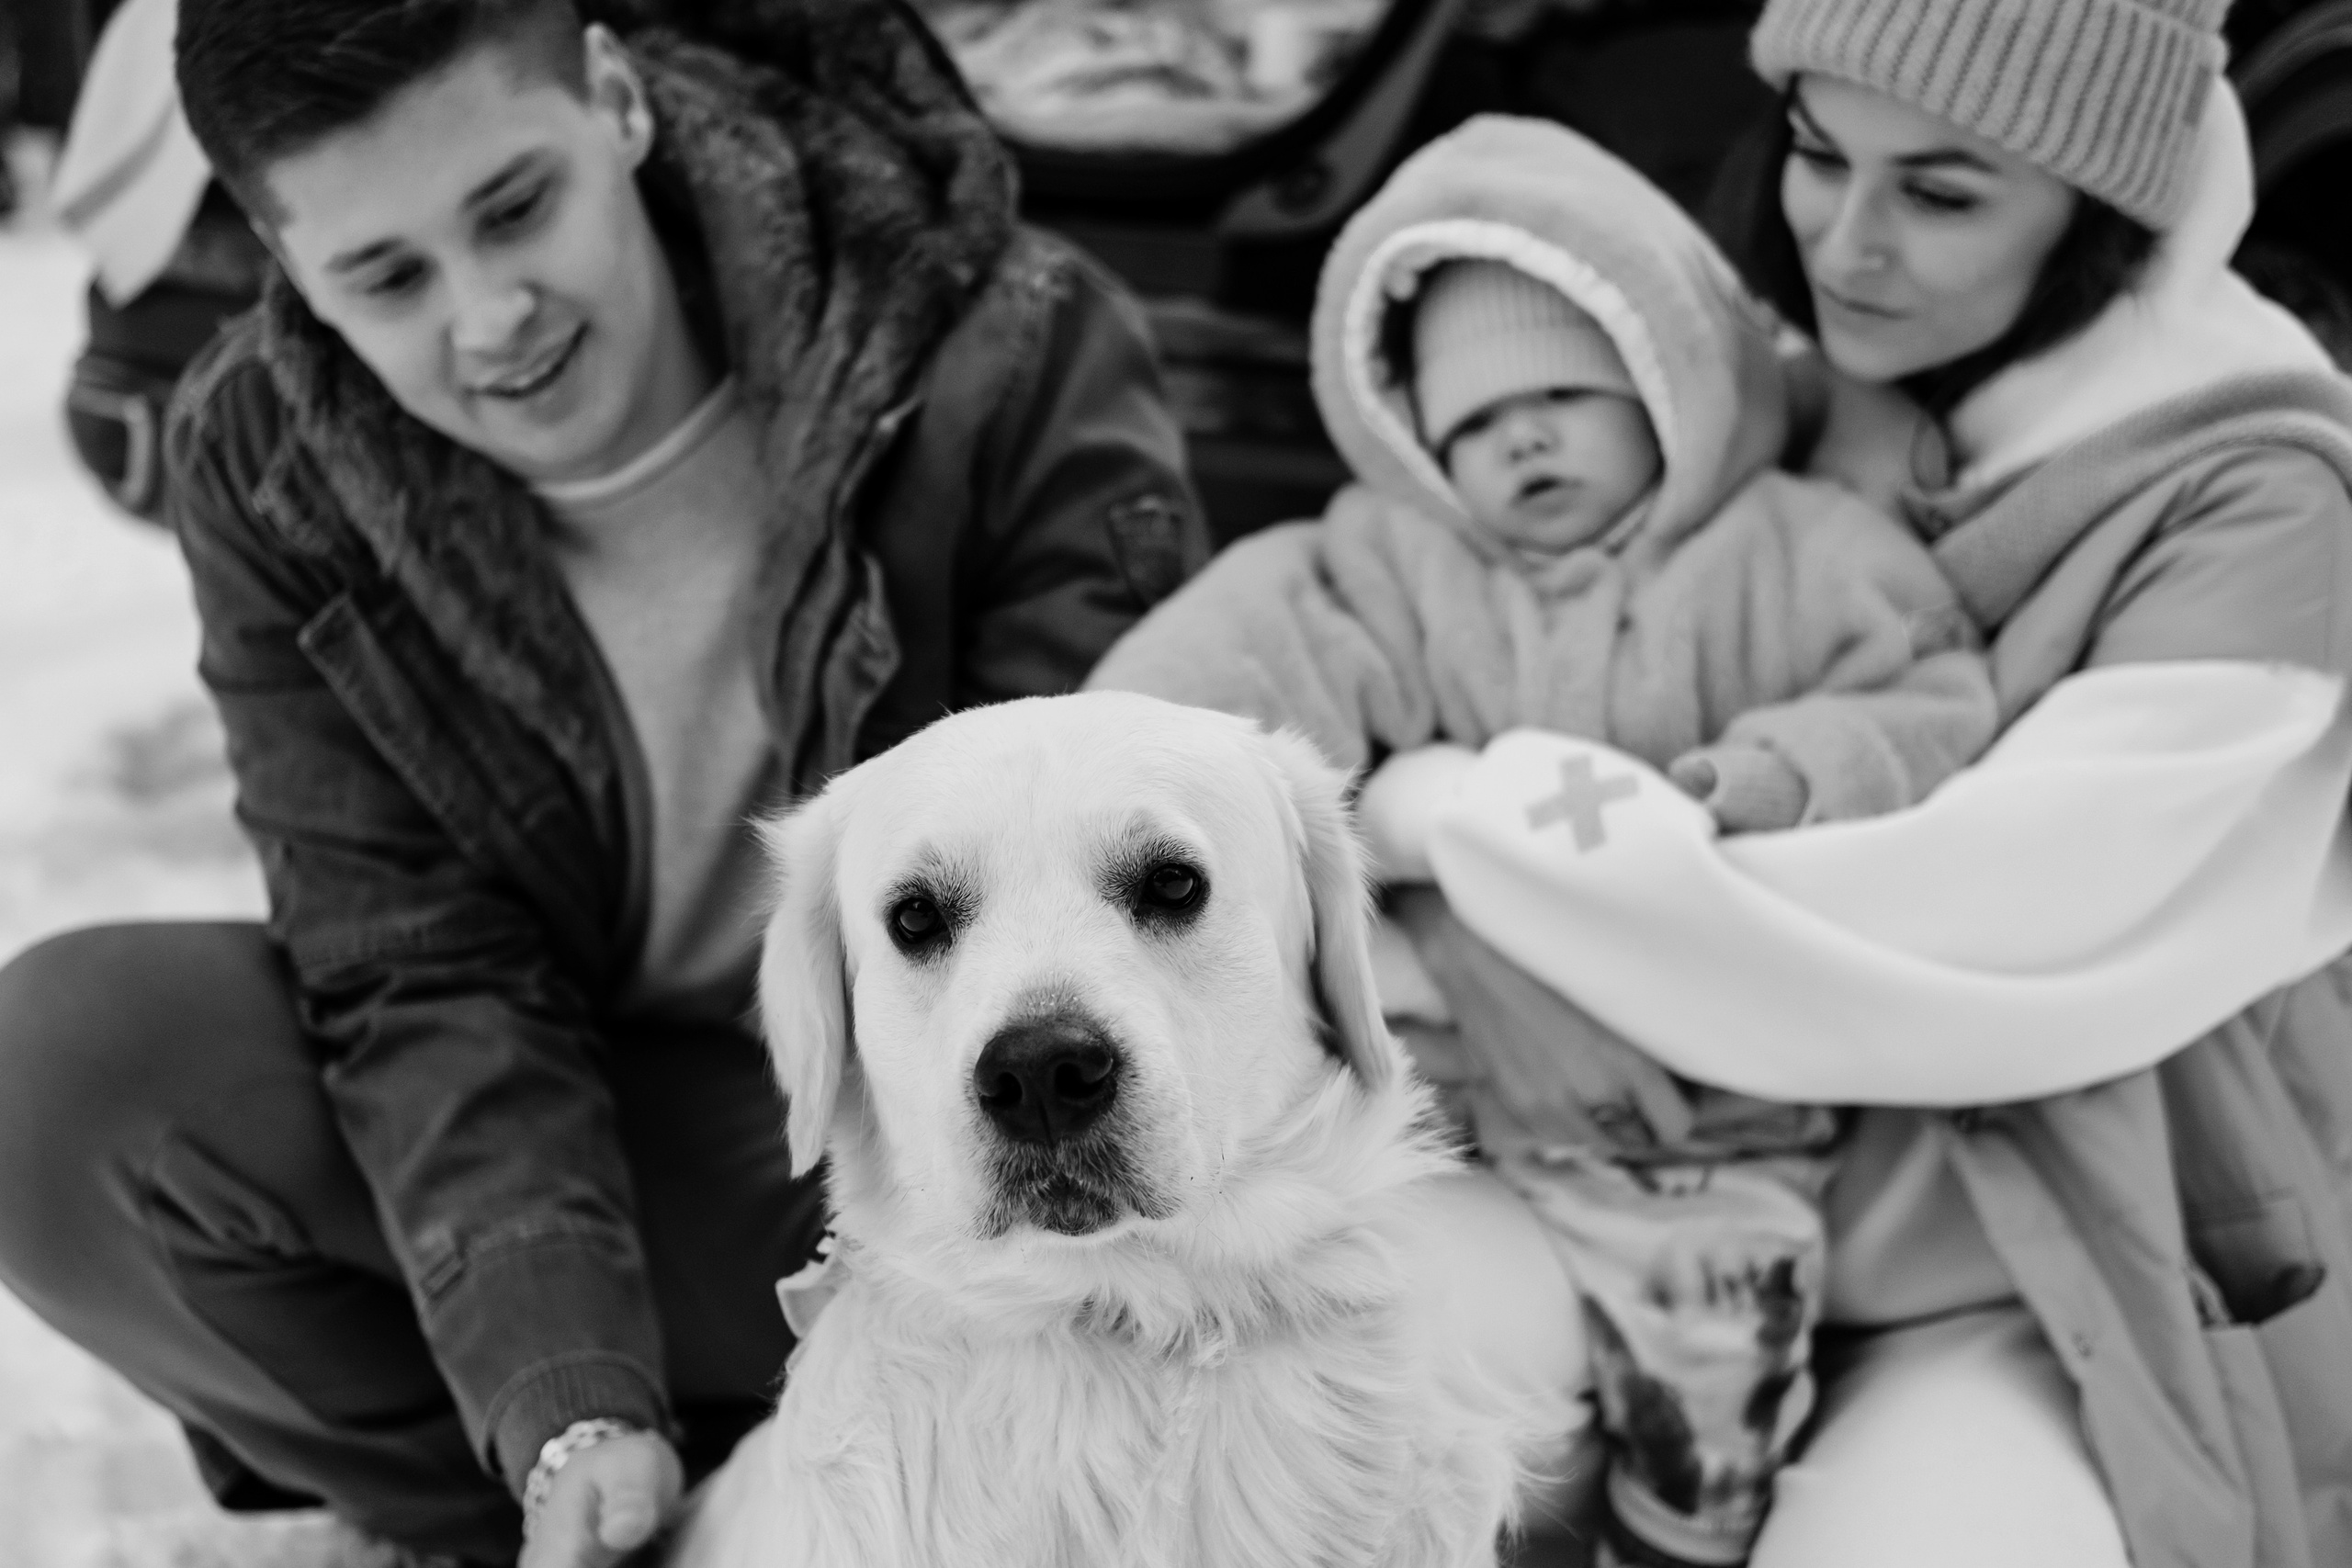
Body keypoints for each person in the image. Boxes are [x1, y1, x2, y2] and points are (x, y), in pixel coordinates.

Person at [0, 0, 1205, 1563]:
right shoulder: (273, 459)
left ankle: (944, 1463)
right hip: (608, 1130)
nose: (491, 313)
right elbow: (417, 965)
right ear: (287, 267)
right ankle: (600, 1519)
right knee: (67, 1071)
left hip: (949, 1128)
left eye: (518, 208)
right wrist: (564, 1393)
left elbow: (1129, 876)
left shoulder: (993, 343)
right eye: (386, 275)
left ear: (619, 105)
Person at [1363, 1, 2352, 1565]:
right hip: (1629, 1184)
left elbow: (1975, 920)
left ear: (2111, 212)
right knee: (1250, 1381)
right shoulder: (1767, 392)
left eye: (1944, 193)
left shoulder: (2265, 505)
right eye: (1821, 155)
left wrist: (1438, 816)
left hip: (2016, 1271)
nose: (1848, 241)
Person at [1090, 112, 1998, 1568]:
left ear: (1671, 376)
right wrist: (1115, 769)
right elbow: (1247, 660)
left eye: (1564, 395)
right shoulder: (1406, 570)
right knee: (1407, 1374)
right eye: (1468, 424)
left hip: (1718, 1136)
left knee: (1712, 1397)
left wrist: (1773, 773)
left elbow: (1929, 698)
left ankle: (1689, 1533)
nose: (1519, 438)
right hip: (1478, 1108)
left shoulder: (1788, 553)